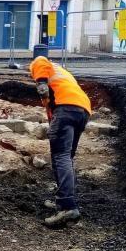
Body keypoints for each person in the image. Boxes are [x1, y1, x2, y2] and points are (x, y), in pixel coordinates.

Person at [29, 55, 92, 228]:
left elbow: (40, 60)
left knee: (60, 157)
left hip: (66, 109)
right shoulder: (63, 76)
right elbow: (51, 108)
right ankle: (62, 199)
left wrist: (40, 82)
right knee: (66, 157)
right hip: (82, 110)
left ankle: (67, 206)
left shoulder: (41, 64)